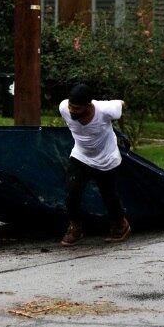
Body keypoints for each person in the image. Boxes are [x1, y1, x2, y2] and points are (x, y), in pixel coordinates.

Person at [58, 83, 131, 245]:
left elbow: (121, 103)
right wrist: (70, 108)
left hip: (106, 158)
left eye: (77, 108)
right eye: (71, 106)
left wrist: (122, 105)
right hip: (81, 156)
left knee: (109, 195)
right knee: (72, 191)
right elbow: (68, 108)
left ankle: (120, 224)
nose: (72, 111)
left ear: (88, 105)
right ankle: (75, 228)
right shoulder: (63, 108)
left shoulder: (105, 110)